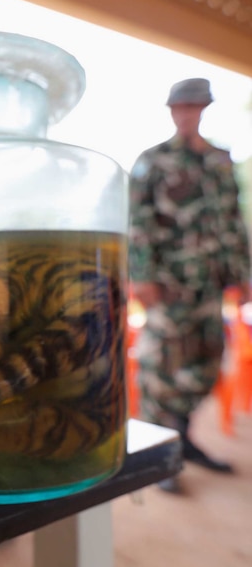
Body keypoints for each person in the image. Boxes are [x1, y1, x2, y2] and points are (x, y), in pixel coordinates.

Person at [128, 77, 251, 494]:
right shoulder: (152, 161)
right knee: (163, 369)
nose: (187, 115)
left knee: (208, 363)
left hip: (210, 285)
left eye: (194, 108)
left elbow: (234, 222)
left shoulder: (219, 160)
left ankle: (183, 437)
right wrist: (141, 275)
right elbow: (139, 223)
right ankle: (160, 459)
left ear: (203, 110)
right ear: (172, 112)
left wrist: (244, 276)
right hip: (169, 287)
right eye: (181, 108)